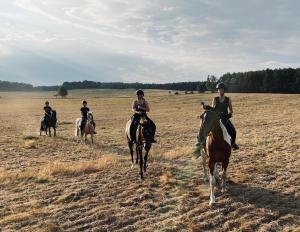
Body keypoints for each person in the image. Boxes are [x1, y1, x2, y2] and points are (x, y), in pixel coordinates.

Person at [201, 82, 239, 150]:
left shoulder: (228, 99)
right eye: (219, 89)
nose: (220, 90)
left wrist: (229, 115)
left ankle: (233, 144)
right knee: (206, 129)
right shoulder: (215, 99)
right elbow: (213, 109)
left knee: (234, 131)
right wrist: (207, 107)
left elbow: (231, 110)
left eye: (222, 89)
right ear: (217, 90)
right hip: (217, 119)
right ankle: (203, 143)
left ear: (224, 90)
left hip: (225, 119)